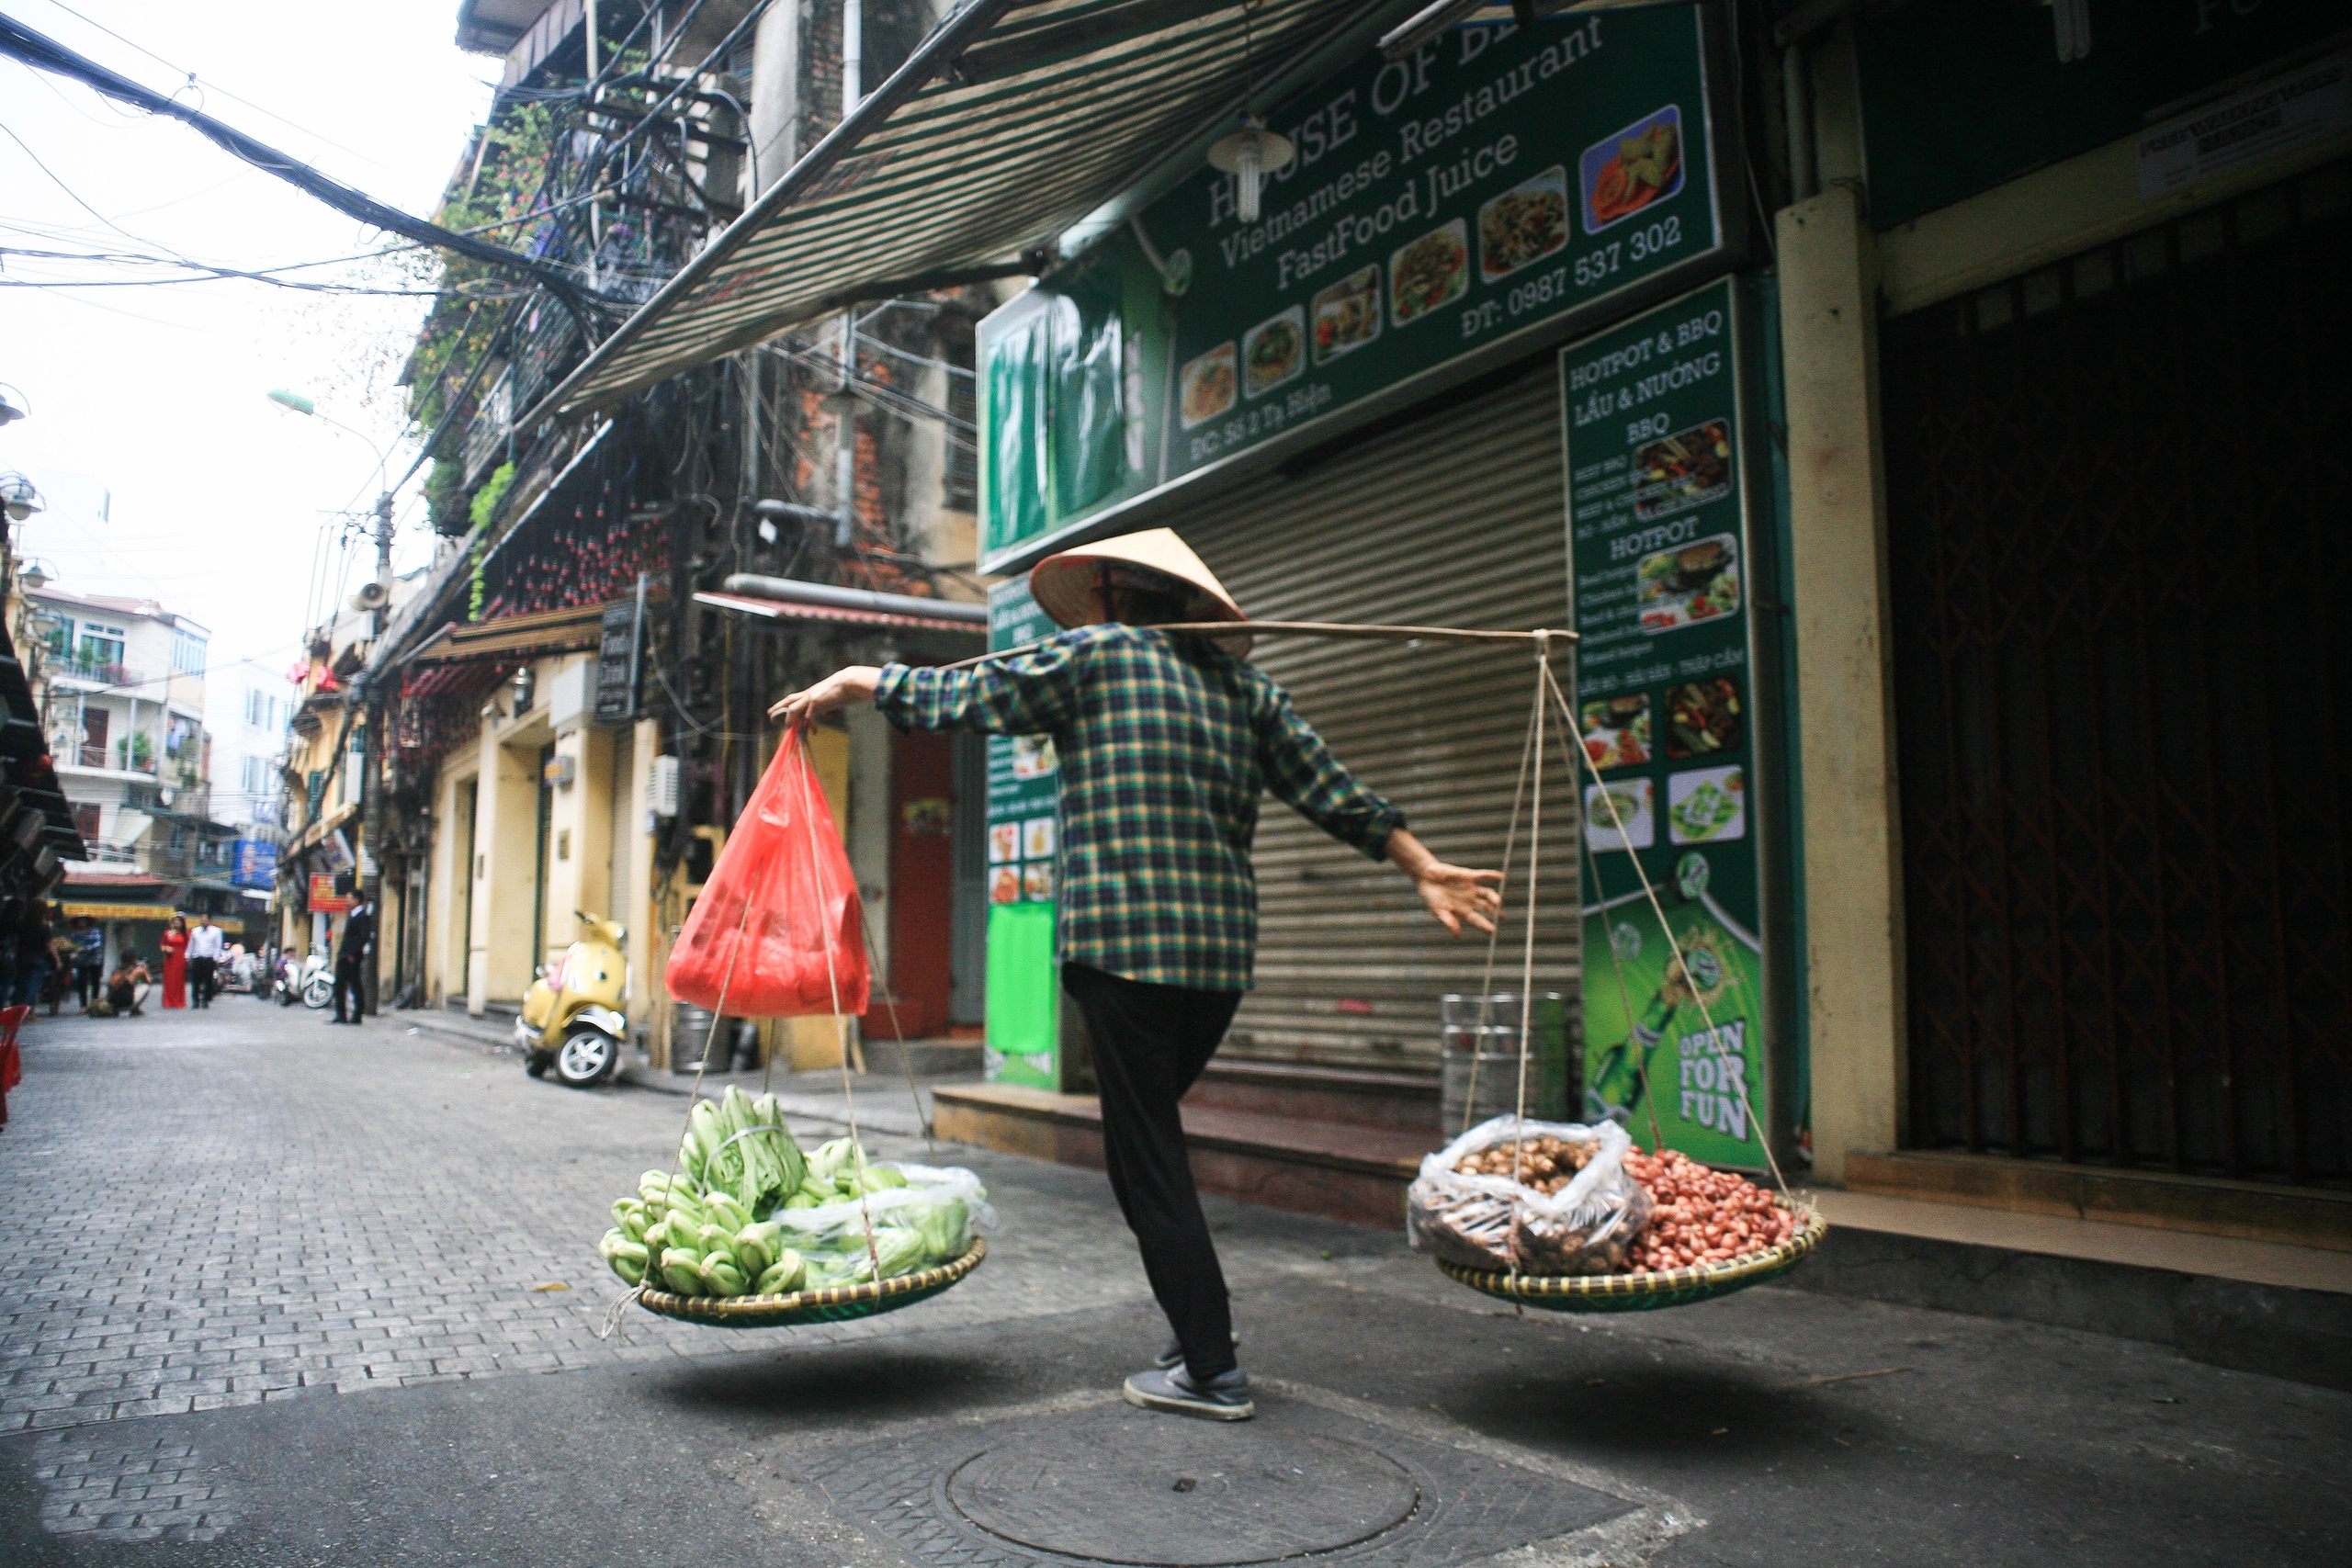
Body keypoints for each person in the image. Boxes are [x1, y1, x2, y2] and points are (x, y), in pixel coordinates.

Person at [777, 528, 1503, 1423]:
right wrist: (1421, 864)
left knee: (1145, 1160)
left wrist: (858, 682)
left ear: (1117, 598)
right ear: (1187, 607)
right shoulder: (1246, 690)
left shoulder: (1096, 655)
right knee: (1147, 1144)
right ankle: (1199, 1333)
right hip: (1217, 964)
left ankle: (1211, 1366)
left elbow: (972, 693)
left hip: (1123, 953)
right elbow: (1332, 789)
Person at [330, 901, 374, 1025]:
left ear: (356, 899)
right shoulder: (353, 915)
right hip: (345, 955)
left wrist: (353, 953)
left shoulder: (362, 916)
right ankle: (342, 1015)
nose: (347, 901)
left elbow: (363, 937)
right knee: (342, 985)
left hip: (350, 957)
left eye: (350, 898)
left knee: (353, 985)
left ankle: (356, 1014)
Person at [88, 954, 152, 1018]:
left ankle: (116, 1010)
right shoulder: (137, 970)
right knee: (145, 986)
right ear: (134, 960)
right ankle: (135, 1009)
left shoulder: (116, 971)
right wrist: (145, 970)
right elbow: (149, 981)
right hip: (127, 1004)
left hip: (114, 1004)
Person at [186, 914, 225, 1009]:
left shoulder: (216, 932)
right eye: (202, 920)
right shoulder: (195, 931)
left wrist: (216, 958)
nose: (203, 922)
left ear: (210, 921)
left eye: (205, 920)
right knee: (195, 980)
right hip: (197, 958)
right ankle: (195, 1000)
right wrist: (188, 956)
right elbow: (191, 944)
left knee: (208, 980)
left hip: (208, 959)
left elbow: (217, 946)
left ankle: (205, 1000)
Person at [71, 917, 104, 1010]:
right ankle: (83, 1006)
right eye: (80, 922)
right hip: (82, 961)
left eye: (84, 921)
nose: (82, 923)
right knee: (82, 983)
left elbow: (97, 944)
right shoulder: (75, 934)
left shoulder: (95, 932)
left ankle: (94, 1004)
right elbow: (72, 944)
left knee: (95, 982)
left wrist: (84, 949)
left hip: (95, 960)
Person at [159, 916, 189, 1009]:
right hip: (170, 959)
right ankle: (168, 1001)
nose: (176, 924)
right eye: (175, 922)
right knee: (169, 979)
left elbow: (188, 947)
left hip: (180, 958)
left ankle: (179, 1001)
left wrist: (187, 958)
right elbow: (162, 945)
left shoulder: (186, 934)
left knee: (179, 980)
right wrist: (166, 948)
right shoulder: (168, 933)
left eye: (178, 922)